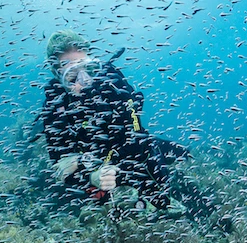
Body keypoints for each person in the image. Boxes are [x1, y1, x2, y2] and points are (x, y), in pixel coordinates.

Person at [39, 29, 188, 212]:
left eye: (87, 67)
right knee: (99, 206)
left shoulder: (110, 81)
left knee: (174, 178)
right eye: (71, 72)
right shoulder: (54, 106)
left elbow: (135, 136)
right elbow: (61, 168)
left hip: (132, 151)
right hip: (99, 172)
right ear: (56, 72)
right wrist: (92, 176)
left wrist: (84, 161)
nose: (83, 79)